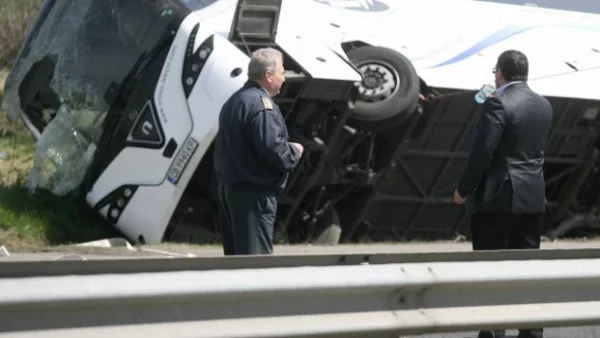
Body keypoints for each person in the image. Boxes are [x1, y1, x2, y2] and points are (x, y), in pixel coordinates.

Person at [453, 50, 553, 338]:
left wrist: (463, 189)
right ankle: (531, 332)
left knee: (490, 270)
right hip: (532, 196)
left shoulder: (496, 103)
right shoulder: (544, 104)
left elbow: (483, 152)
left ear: (499, 72)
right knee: (525, 271)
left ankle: (493, 332)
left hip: (497, 197)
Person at [213, 47, 304, 256]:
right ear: (268, 76)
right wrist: (295, 150)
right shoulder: (261, 106)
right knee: (255, 262)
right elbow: (275, 150)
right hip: (253, 196)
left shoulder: (235, 100)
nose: (284, 77)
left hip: (232, 190)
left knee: (237, 259)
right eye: (282, 72)